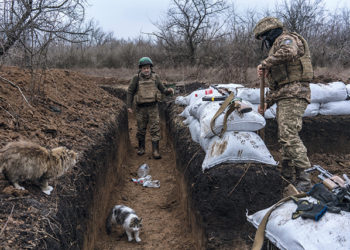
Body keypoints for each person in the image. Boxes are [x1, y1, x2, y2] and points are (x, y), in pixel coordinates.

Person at [253, 17, 314, 191]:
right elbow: (280, 87)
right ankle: (287, 174)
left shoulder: (286, 40)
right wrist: (266, 103)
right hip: (286, 95)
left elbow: (290, 51)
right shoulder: (275, 49)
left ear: (269, 34)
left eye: (263, 38)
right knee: (284, 137)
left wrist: (265, 63)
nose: (264, 43)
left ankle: (304, 178)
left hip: (295, 95)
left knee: (289, 136)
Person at [127, 57, 174, 159]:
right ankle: (141, 148)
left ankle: (155, 151)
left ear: (150, 68)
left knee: (155, 129)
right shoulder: (136, 78)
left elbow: (162, 89)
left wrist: (168, 91)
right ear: (141, 69)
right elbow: (130, 91)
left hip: (153, 107)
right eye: (144, 68)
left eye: (148, 68)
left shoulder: (155, 77)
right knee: (141, 129)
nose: (146, 70)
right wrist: (129, 106)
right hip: (140, 108)